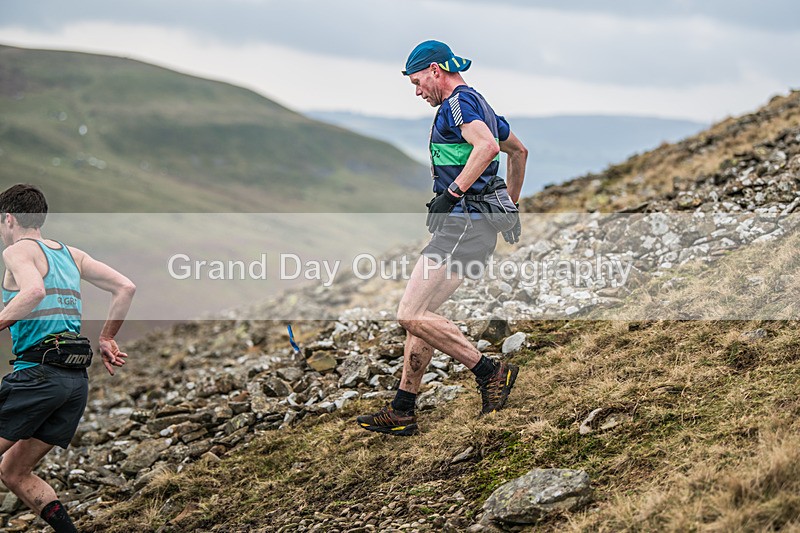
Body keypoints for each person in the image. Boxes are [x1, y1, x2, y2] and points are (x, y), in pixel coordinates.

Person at [357, 41, 528, 436]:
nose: (418, 92)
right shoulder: (480, 103)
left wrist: (452, 195)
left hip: (463, 223)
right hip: (475, 226)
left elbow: (487, 147)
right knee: (425, 315)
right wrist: (508, 206)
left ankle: (490, 371)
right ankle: (403, 408)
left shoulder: (457, 104)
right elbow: (518, 151)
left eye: (418, 83)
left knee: (409, 314)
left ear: (436, 70)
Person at [0, 184, 135, 532]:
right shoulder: (72, 255)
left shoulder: (17, 252)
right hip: (74, 383)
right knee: (13, 472)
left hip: (38, 375)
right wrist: (107, 337)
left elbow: (33, 291)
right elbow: (125, 287)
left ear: (9, 218)